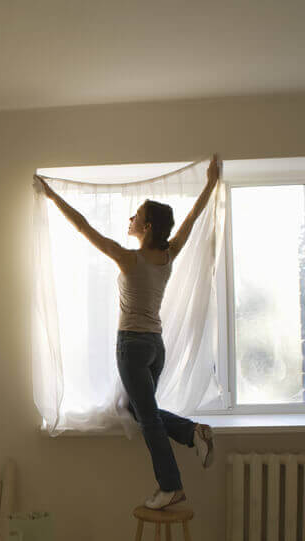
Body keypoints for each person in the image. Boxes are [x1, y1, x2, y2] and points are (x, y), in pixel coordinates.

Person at [35, 156, 220, 509]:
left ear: (147, 227)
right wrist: (209, 184)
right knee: (137, 410)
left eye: (135, 216)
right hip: (155, 346)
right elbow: (192, 220)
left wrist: (53, 197)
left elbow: (83, 227)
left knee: (147, 418)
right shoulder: (167, 256)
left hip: (133, 346)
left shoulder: (128, 258)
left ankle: (171, 486)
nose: (130, 220)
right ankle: (190, 432)